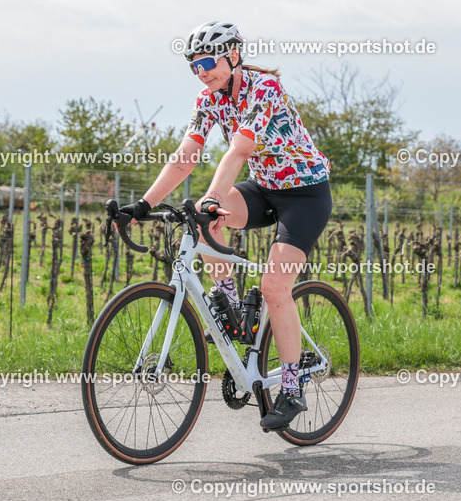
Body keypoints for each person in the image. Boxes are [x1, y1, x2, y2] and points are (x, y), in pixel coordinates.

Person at [118, 21, 332, 431]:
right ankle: (231, 305)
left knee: (274, 286)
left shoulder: (264, 90)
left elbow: (238, 151)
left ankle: (291, 387)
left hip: (305, 196)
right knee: (202, 221)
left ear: (233, 55)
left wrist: (215, 198)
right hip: (265, 188)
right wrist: (145, 204)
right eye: (194, 65)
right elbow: (186, 155)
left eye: (208, 62)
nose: (202, 72)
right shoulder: (208, 99)